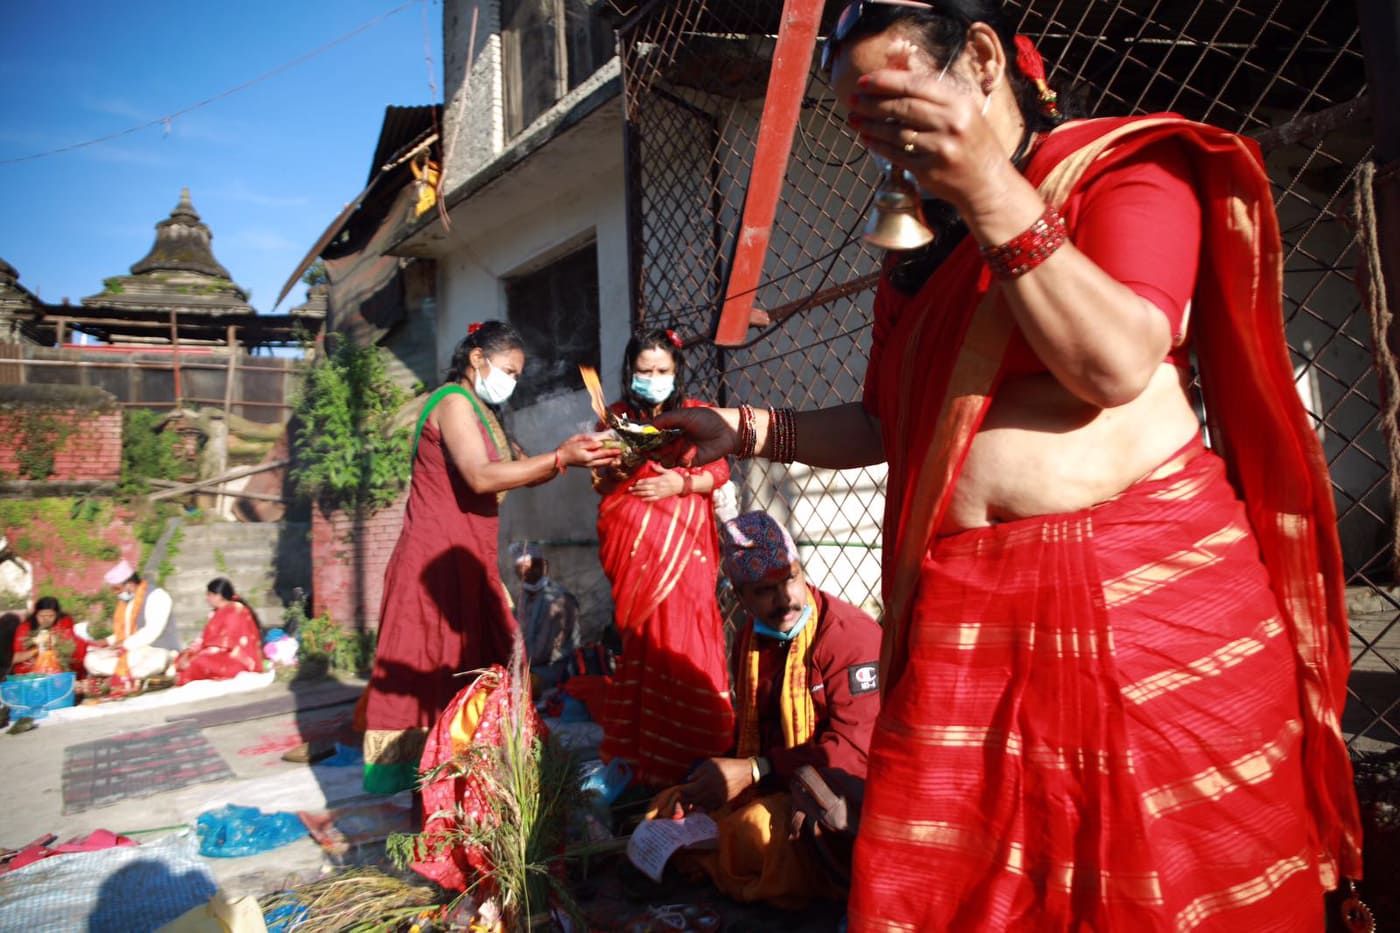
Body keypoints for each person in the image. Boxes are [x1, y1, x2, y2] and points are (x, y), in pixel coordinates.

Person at [653, 2, 1362, 928]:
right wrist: (744, 428)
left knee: (1161, 891)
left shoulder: (1120, 168)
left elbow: (1114, 362)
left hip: (1139, 602)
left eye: (894, 103)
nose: (885, 142)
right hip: (968, 620)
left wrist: (991, 187)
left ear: (983, 57)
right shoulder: (921, 257)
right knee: (960, 892)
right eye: (863, 124)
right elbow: (887, 421)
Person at [362, 321, 620, 795]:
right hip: (436, 564)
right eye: (507, 369)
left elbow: (515, 473)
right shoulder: (454, 402)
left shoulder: (482, 412)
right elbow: (482, 477)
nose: (512, 382)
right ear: (476, 359)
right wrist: (561, 458)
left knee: (482, 670)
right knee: (446, 677)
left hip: (466, 557)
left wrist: (576, 452)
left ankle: (472, 787)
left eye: (518, 374)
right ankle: (443, 795)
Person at [652, 511, 882, 907]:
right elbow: (753, 734)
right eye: (765, 590)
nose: (786, 599)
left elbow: (857, 755)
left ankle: (727, 867)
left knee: (754, 830)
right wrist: (717, 779)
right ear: (740, 597)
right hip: (774, 783)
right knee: (666, 805)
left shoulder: (848, 636)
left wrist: (758, 769)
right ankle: (717, 861)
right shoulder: (750, 639)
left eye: (791, 578)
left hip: (834, 795)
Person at [593, 327, 736, 788]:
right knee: (641, 644)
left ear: (676, 372)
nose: (652, 378)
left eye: (661, 371)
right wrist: (613, 468)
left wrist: (680, 484)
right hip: (631, 549)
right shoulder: (613, 417)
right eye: (643, 371)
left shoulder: (695, 415)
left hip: (684, 547)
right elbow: (600, 482)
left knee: (687, 636)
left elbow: (720, 469)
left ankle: (698, 750)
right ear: (629, 372)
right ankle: (641, 760)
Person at [84, 560, 180, 681]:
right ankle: (128, 675)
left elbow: (152, 631)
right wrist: (107, 641)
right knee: (91, 660)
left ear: (129, 584)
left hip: (157, 649)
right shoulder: (127, 603)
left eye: (117, 589)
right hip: (133, 652)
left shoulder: (157, 596)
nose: (116, 593)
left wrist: (124, 645)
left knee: (154, 662)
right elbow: (127, 631)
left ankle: (132, 674)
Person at [511, 543, 581, 690]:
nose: (529, 572)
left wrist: (513, 662)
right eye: (522, 569)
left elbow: (541, 653)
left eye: (534, 566)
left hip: (553, 671)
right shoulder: (524, 598)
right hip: (528, 667)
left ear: (542, 567)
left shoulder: (557, 600)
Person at [174, 577, 262, 685]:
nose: (207, 598)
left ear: (218, 596)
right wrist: (189, 653)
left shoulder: (235, 611)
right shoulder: (217, 612)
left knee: (198, 661)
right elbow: (204, 639)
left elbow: (226, 643)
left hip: (236, 659)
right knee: (181, 658)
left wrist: (195, 656)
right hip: (215, 651)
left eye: (209, 595)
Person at [10, 597, 86, 676]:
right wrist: (38, 649)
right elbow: (13, 658)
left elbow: (72, 648)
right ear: (36, 614)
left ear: (57, 615)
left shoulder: (63, 623)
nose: (46, 620)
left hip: (57, 672)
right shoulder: (25, 628)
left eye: (51, 616)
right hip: (29, 675)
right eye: (42, 616)